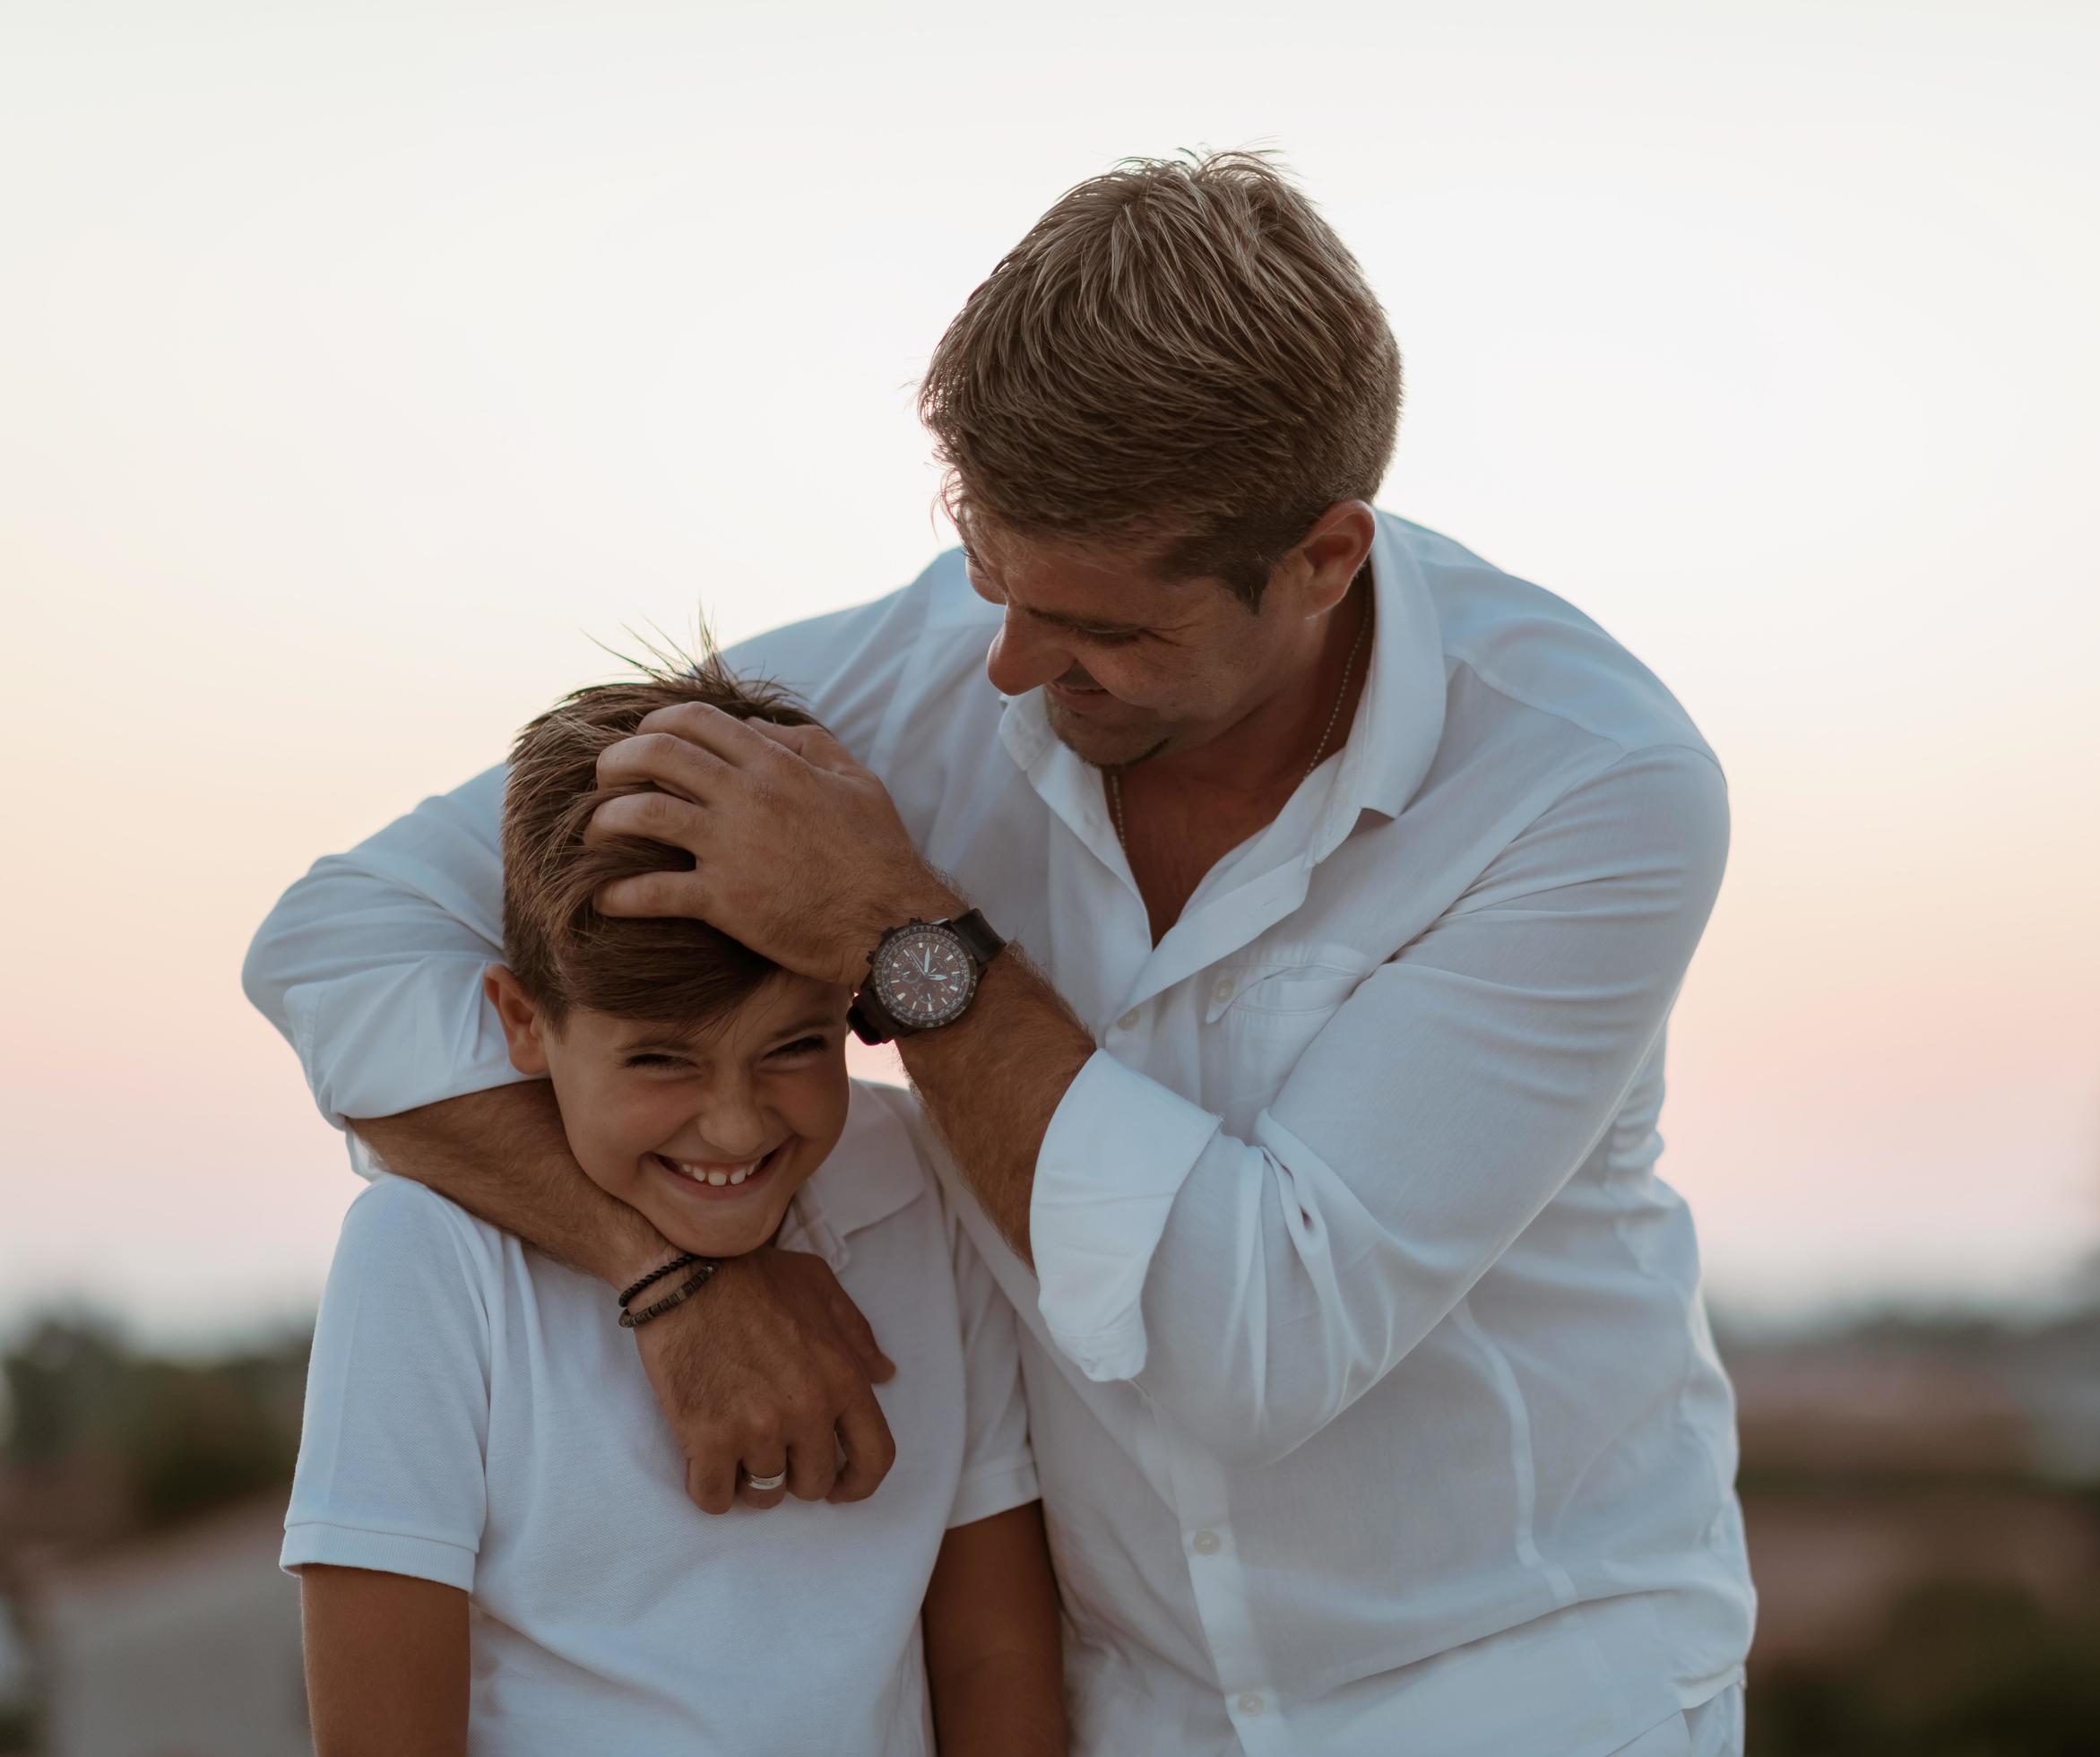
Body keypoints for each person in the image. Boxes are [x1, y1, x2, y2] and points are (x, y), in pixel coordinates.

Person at [247, 150, 1756, 1754]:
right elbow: (342, 943)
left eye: (1106, 628)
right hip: (1123, 1710)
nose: (1019, 668)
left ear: (1323, 561)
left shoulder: (1591, 788)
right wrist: (665, 1272)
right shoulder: (941, 667)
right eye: (992, 581)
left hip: (1520, 1687)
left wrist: (907, 940)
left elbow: (1249, 1346)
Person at [281, 657, 1067, 1755]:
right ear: (520, 1019)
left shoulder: (920, 1184)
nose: (736, 1128)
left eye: (795, 1046)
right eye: (661, 1060)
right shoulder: (426, 1254)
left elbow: (994, 1651)